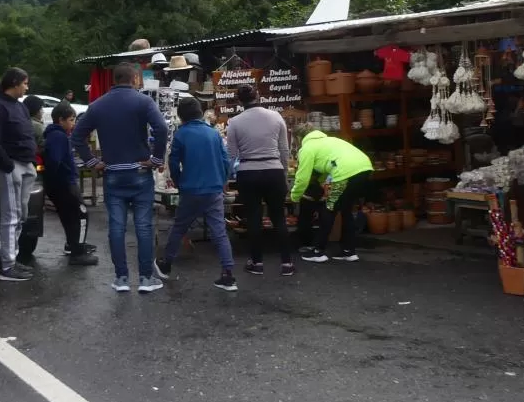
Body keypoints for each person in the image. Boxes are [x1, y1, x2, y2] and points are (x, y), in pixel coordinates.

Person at [72, 62, 168, 294]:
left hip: (112, 173)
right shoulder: (143, 102)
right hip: (140, 172)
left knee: (116, 227)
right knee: (143, 227)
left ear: (115, 79)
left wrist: (94, 163)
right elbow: (162, 129)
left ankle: (121, 278)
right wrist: (156, 160)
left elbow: (76, 137)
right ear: (135, 79)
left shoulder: (97, 105)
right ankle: (145, 279)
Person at [154, 97, 236, 291]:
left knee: (180, 227)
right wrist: (222, 181)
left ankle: (166, 265)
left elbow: (173, 163)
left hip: (191, 189)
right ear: (200, 113)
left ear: (181, 117)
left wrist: (180, 182)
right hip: (214, 190)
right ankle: (228, 275)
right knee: (219, 232)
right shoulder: (214, 133)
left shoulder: (182, 134)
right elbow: (226, 161)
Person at [226, 84, 295, 276]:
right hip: (273, 170)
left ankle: (256, 262)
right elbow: (284, 149)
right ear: (259, 96)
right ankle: (287, 263)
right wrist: (283, 173)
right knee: (279, 217)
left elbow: (231, 155)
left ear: (240, 101)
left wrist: (226, 177)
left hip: (248, 172)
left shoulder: (235, 122)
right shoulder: (275, 116)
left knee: (253, 218)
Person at [0, 68, 38, 282]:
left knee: (21, 215)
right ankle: (8, 266)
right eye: (25, 83)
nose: (27, 87)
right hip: (10, 166)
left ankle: (13, 259)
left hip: (25, 165)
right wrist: (7, 165)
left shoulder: (20, 107)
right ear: (14, 83)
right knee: (11, 216)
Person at [290, 124, 373, 263]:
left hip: (344, 175)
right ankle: (349, 251)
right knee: (346, 210)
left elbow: (302, 178)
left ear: (299, 137)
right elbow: (327, 168)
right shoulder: (331, 140)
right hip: (364, 169)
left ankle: (318, 252)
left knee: (328, 209)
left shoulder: (307, 148)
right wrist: (324, 184)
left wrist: (294, 196)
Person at [42, 101, 98, 265]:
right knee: (81, 214)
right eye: (72, 120)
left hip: (58, 184)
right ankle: (78, 251)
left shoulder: (53, 135)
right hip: (64, 183)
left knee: (68, 215)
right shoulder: (59, 137)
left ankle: (73, 244)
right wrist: (60, 178)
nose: (74, 124)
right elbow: (54, 161)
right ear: (61, 120)